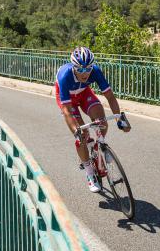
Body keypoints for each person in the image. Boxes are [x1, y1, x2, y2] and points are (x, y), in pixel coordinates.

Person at [55, 47, 130, 193]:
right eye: (80, 69)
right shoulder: (65, 76)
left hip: (84, 94)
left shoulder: (95, 71)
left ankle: (98, 147)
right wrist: (76, 131)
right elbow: (67, 111)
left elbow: (110, 97)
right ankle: (90, 173)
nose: (85, 73)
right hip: (68, 100)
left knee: (101, 121)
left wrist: (120, 119)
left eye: (88, 68)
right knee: (81, 136)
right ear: (73, 66)